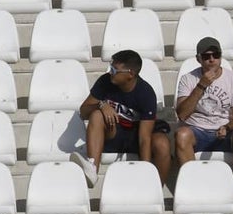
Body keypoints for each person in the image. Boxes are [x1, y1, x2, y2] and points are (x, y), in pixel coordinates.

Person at [174, 36, 233, 209]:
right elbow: (182, 114)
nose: (212, 59)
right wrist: (201, 86)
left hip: (225, 131)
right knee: (181, 135)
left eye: (216, 55)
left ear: (220, 57)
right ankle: (195, 192)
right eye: (206, 56)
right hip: (198, 130)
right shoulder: (188, 79)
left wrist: (227, 127)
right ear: (198, 59)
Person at [70, 49, 171, 189]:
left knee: (162, 143)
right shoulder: (105, 81)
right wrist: (101, 105)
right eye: (110, 67)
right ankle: (92, 168)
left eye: (114, 69)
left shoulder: (146, 93)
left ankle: (154, 189)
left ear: (130, 74)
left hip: (136, 136)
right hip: (114, 133)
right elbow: (84, 111)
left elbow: (144, 138)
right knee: (97, 114)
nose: (110, 71)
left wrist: (144, 170)